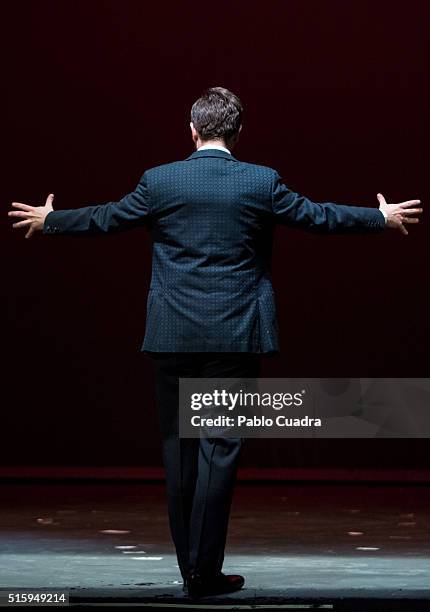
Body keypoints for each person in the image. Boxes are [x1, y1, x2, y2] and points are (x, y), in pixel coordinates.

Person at [8, 86, 422, 598]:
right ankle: (204, 573)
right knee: (219, 453)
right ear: (238, 131)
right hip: (234, 335)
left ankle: (194, 572)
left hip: (173, 335)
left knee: (178, 455)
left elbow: (106, 218)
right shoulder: (259, 181)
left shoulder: (160, 180)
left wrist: (52, 220)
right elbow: (320, 217)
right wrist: (379, 218)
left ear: (192, 130)